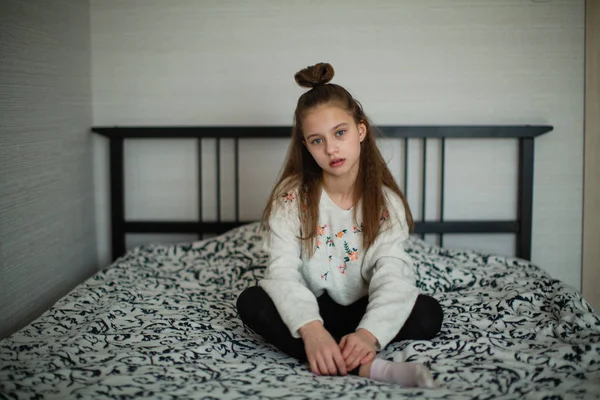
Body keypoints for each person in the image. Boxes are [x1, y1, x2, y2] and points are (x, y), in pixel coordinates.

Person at [236, 62, 443, 387]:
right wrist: (311, 329)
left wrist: (368, 334)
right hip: (312, 307)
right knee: (251, 300)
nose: (331, 149)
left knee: (427, 312)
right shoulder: (291, 199)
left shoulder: (384, 202)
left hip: (363, 309)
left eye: (340, 133)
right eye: (316, 140)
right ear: (306, 146)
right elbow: (282, 271)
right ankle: (365, 367)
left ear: (360, 131)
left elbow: (391, 271)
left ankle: (345, 351)